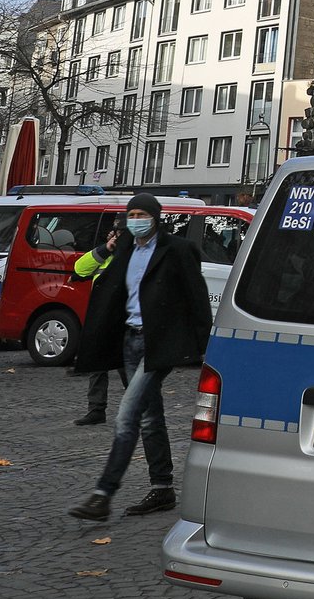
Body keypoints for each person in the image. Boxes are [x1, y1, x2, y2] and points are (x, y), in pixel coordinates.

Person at [67, 194, 211, 521]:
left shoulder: (177, 250)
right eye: (131, 214)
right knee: (148, 416)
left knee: (127, 415)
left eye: (141, 214)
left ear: (155, 217)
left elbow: (197, 297)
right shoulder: (126, 250)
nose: (136, 219)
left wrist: (205, 343)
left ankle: (103, 493)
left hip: (157, 345)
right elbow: (105, 287)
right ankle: (162, 488)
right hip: (129, 341)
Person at [70, 225, 121, 426]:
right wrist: (105, 248)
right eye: (117, 234)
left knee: (127, 368)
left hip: (124, 319)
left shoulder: (135, 255)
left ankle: (140, 410)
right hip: (102, 317)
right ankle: (96, 410)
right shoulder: (106, 254)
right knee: (97, 366)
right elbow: (80, 268)